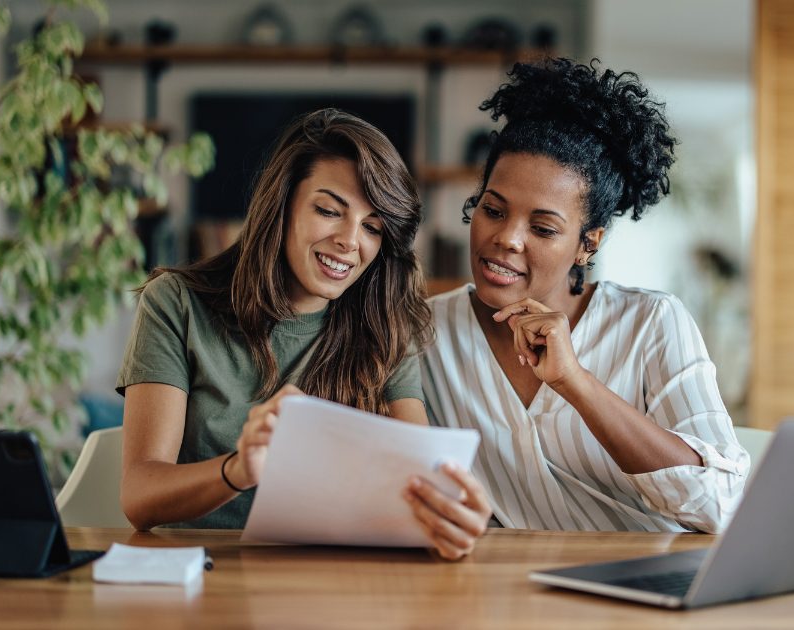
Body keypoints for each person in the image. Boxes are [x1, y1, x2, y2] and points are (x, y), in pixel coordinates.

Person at [117, 109, 489, 559]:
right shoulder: (176, 303)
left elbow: (420, 476)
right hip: (201, 571)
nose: (350, 241)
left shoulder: (387, 324)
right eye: (330, 211)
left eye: (373, 227)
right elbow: (139, 497)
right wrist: (237, 470)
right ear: (282, 204)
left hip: (330, 577)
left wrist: (449, 515)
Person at [420, 59, 751, 535]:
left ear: (586, 244)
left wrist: (575, 382)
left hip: (641, 587)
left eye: (543, 227)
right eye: (493, 210)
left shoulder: (652, 323)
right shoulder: (425, 332)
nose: (508, 239)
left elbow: (721, 506)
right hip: (504, 593)